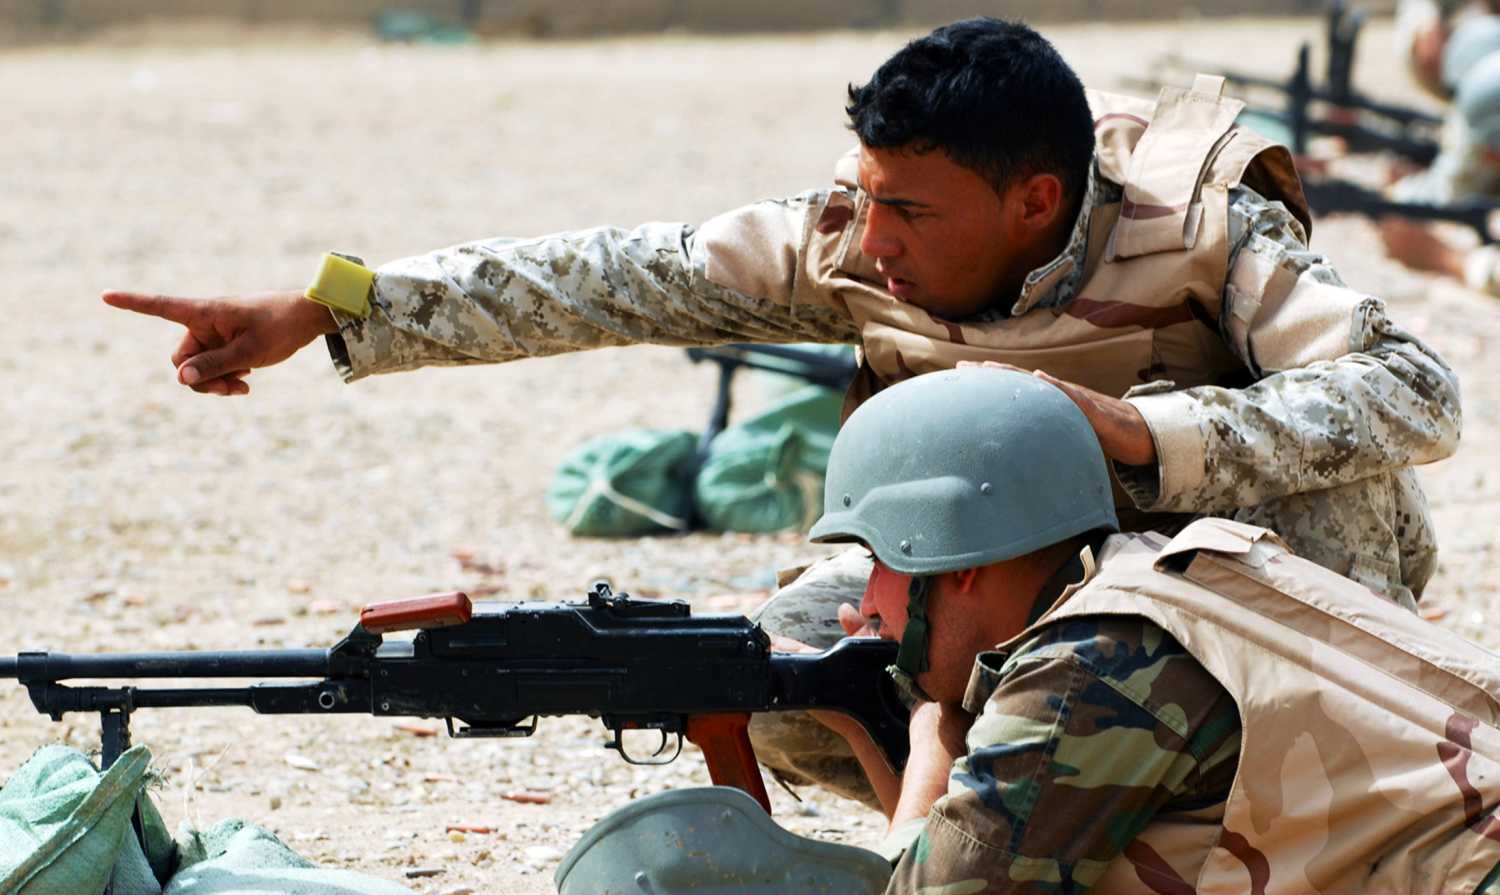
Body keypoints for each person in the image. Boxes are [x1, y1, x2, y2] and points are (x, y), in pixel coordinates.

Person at [106, 19, 1459, 807]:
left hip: (1210, 567)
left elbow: (1408, 389)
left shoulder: (1210, 224)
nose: (870, 245)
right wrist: (323, 308)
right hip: (998, 566)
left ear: (1037, 202)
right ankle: (980, 838)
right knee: (773, 670)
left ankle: (1310, 794)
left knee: (1318, 490)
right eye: (865, 198)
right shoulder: (855, 236)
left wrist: (1152, 442)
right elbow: (603, 277)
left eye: (911, 213)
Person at [788, 367, 1500, 894]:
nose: (869, 597)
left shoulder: (1087, 669)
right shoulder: (1154, 579)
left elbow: (935, 888)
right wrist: (861, 721)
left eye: (878, 559)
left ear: (953, 559)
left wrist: (928, 737)